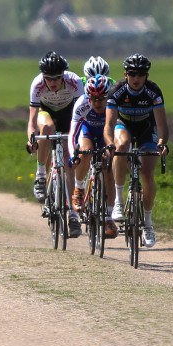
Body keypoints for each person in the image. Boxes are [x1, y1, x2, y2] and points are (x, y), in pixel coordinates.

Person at [105, 53, 170, 248]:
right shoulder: (116, 91)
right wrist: (109, 143)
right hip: (122, 125)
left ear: (146, 76)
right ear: (125, 74)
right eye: (132, 74)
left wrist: (162, 143)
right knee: (121, 145)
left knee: (147, 172)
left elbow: (162, 125)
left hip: (146, 129)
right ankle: (118, 200)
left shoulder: (153, 92)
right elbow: (108, 125)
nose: (136, 78)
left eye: (140, 74)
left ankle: (148, 224)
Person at [26, 50, 85, 237]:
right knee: (47, 128)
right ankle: (41, 175)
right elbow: (32, 120)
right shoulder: (37, 84)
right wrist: (31, 139)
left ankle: (74, 216)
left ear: (63, 76)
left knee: (69, 163)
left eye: (56, 78)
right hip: (46, 112)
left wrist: (78, 142)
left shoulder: (75, 82)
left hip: (70, 114)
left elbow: (81, 115)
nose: (52, 83)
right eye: (48, 78)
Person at [69, 74, 120, 239]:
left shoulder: (114, 104)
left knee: (108, 170)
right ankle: (79, 189)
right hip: (88, 131)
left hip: (106, 135)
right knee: (85, 151)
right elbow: (72, 133)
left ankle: (108, 217)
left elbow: (120, 129)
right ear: (88, 96)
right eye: (94, 98)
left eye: (102, 99)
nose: (97, 103)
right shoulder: (82, 104)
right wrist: (72, 154)